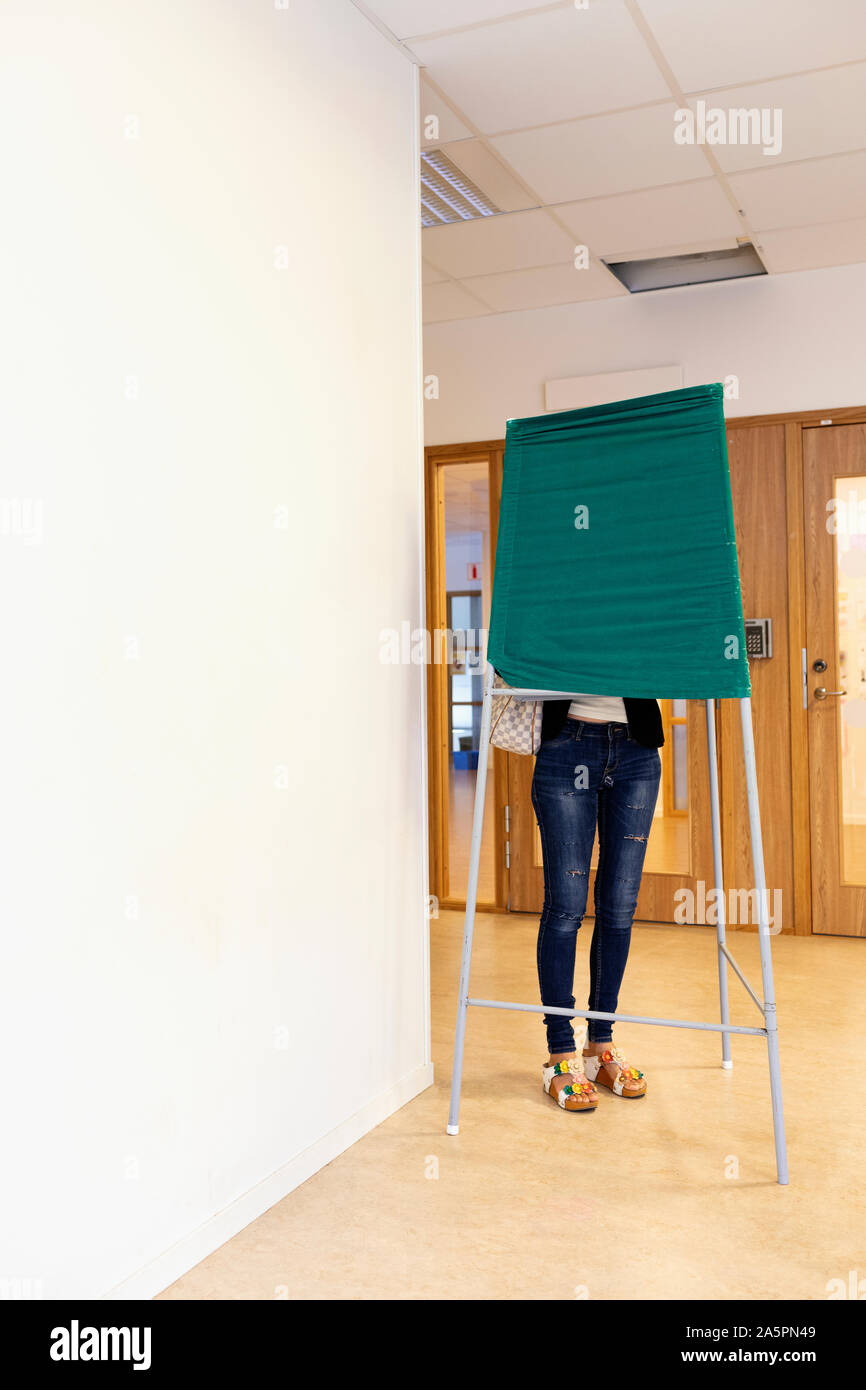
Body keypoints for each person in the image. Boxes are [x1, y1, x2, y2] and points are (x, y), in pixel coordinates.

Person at [533, 693, 663, 1113]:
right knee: (566, 906)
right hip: (568, 742)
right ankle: (559, 1055)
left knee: (620, 905)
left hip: (637, 749)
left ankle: (599, 1047)